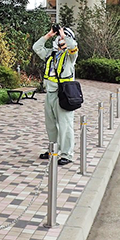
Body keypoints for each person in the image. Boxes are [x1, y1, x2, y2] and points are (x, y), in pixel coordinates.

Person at [33, 25, 79, 166]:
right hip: (50, 93)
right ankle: (53, 150)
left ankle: (67, 154)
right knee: (51, 125)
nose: (60, 38)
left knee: (65, 124)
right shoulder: (50, 54)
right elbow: (36, 48)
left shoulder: (71, 55)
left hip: (63, 93)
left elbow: (73, 46)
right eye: (59, 36)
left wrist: (65, 35)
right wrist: (48, 35)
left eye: (62, 36)